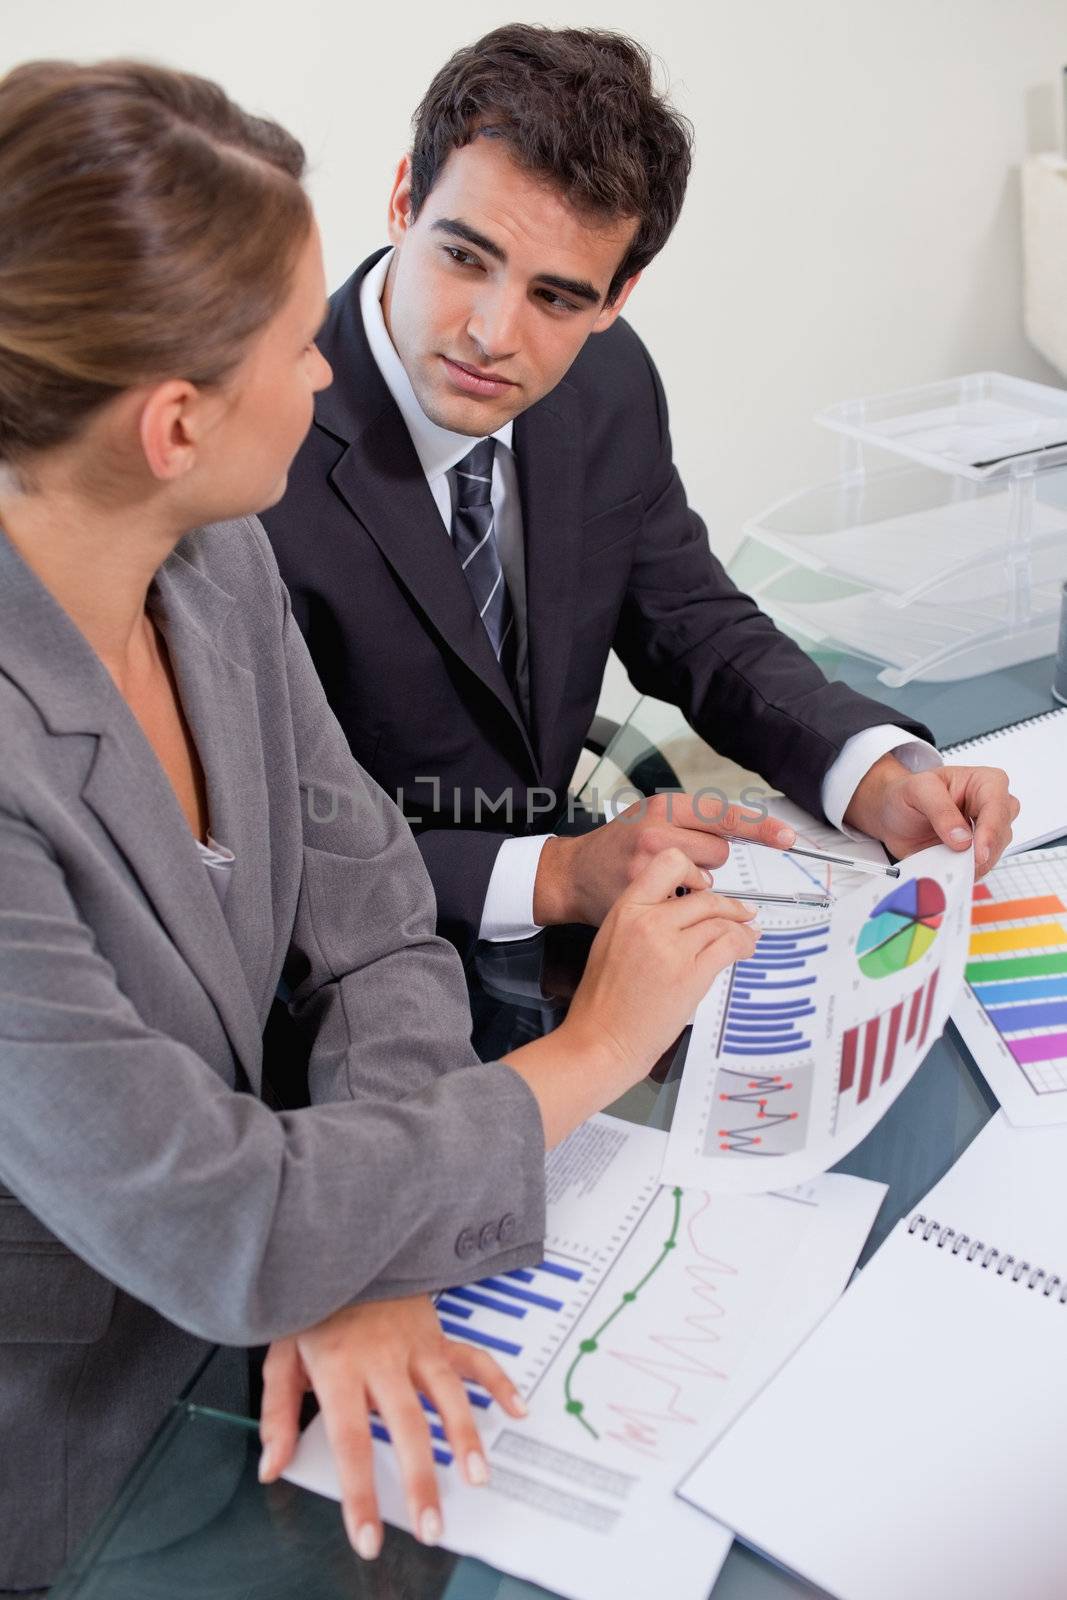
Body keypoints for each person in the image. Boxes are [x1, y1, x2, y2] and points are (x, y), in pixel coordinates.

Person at [0, 59, 760, 1594]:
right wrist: (592, 1047)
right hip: (91, 1432)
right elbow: (222, 1215)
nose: (329, 374)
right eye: (296, 345)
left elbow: (373, 924)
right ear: (170, 423)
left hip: (319, 1272)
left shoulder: (213, 563)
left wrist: (355, 1243)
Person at [262, 23, 1018, 953]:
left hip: (563, 915)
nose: (493, 334)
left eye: (557, 297)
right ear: (402, 202)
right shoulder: (252, 445)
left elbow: (690, 620)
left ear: (616, 296)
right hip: (346, 954)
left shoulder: (605, 381)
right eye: (464, 257)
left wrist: (869, 772)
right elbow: (255, 833)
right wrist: (553, 874)